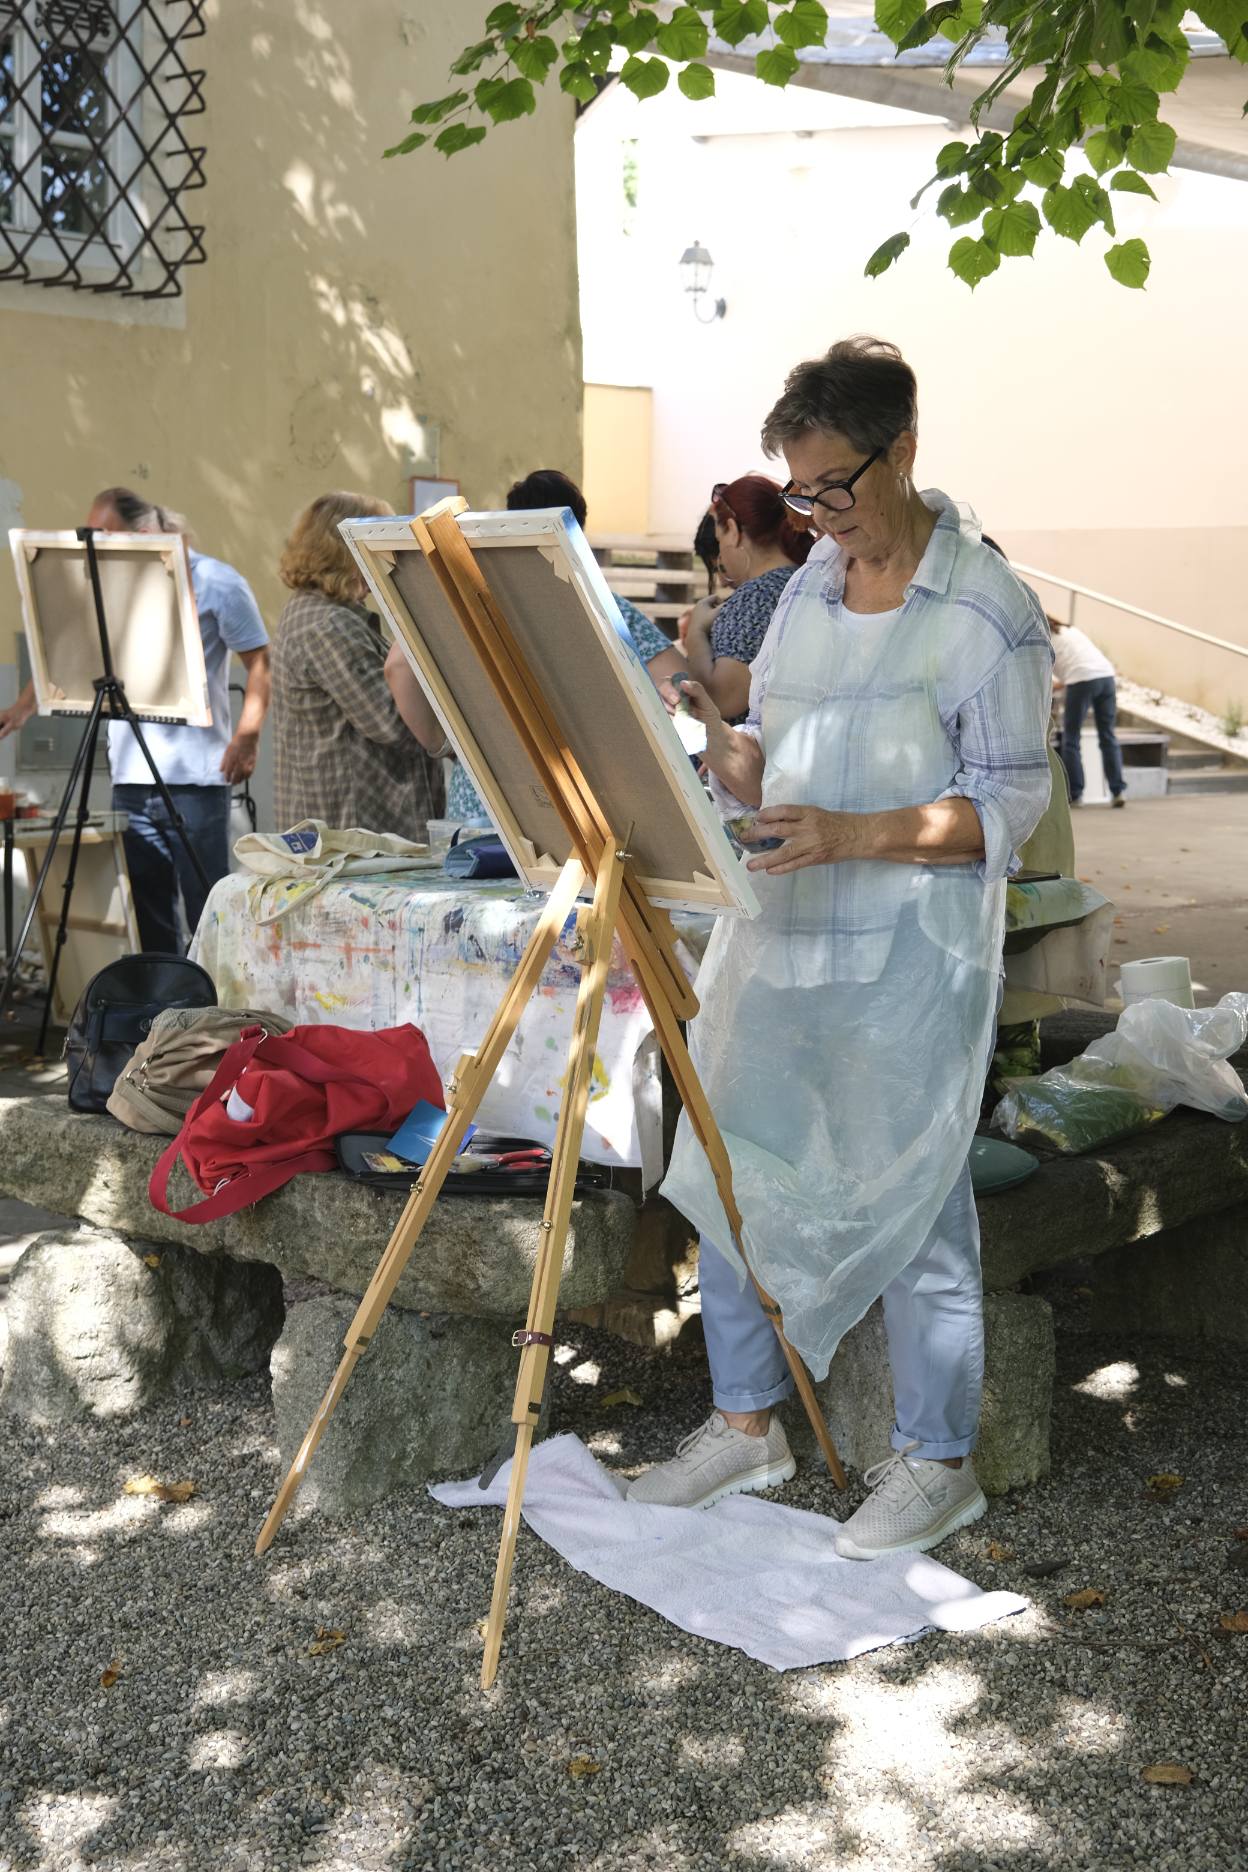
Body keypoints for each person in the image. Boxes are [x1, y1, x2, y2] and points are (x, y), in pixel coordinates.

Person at [631, 337, 1053, 1561]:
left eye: (834, 487)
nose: (817, 515)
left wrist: (856, 833)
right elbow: (773, 753)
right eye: (801, 491)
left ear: (903, 449)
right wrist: (716, 744)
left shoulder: (986, 607)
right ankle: (744, 1424)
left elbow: (1009, 807)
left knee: (917, 1198)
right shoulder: (810, 590)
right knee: (735, 1171)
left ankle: (936, 1462)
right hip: (784, 934)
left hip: (911, 958)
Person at [0, 486, 271, 953]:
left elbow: (260, 662)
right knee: (147, 912)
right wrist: (21, 710)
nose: (94, 546)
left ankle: (216, 995)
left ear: (143, 535)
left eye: (103, 534)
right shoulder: (103, 590)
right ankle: (164, 996)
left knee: (207, 908)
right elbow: (67, 650)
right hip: (131, 779)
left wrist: (247, 738)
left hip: (196, 779)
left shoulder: (216, 582)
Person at [383, 468, 686, 825]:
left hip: (483, 800)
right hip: (583, 802)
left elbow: (398, 667)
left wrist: (445, 745)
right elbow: (680, 686)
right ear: (577, 529)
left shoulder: (466, 601)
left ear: (511, 522)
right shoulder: (604, 606)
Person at [271, 491, 445, 838]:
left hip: (347, 832)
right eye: (377, 547)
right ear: (346, 552)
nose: (388, 561)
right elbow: (393, 724)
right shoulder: (328, 625)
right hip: (350, 836)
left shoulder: (321, 613)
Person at [682, 474, 812, 723]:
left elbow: (721, 700)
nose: (721, 556)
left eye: (719, 540)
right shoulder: (805, 581)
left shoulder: (755, 598)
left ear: (733, 531)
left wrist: (696, 632)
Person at [1050, 617, 1126, 808]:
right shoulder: (1070, 630)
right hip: (1106, 677)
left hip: (1081, 680)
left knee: (1071, 738)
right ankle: (1118, 791)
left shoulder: (1043, 640)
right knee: (1107, 735)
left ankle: (1076, 794)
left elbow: (1050, 679)